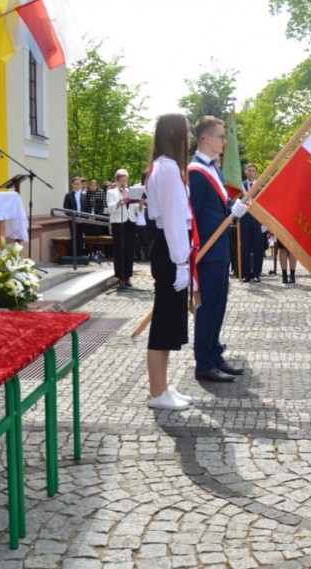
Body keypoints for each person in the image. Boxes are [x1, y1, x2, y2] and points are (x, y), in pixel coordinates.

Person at [188, 116, 249, 383]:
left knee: (219, 305)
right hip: (207, 250)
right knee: (208, 307)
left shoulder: (215, 169)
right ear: (206, 138)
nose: (225, 141)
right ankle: (203, 362)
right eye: (221, 136)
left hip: (220, 248)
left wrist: (232, 211)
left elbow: (217, 209)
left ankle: (214, 355)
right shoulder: (195, 171)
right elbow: (193, 215)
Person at [143, 114, 195, 410]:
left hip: (170, 247)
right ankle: (156, 392)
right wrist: (181, 263)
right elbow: (174, 219)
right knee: (163, 322)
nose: (190, 137)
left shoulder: (167, 167)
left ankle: (162, 386)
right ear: (174, 134)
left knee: (169, 321)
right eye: (186, 131)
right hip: (170, 249)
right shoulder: (168, 169)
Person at [108, 169, 140, 287]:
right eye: (121, 180)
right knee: (119, 250)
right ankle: (120, 276)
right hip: (118, 223)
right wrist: (122, 201)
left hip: (130, 222)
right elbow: (110, 209)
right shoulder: (111, 192)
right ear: (116, 181)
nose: (123, 183)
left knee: (129, 250)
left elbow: (137, 210)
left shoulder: (131, 191)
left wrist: (141, 203)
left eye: (125, 180)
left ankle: (128, 276)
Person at [240, 164, 265, 282]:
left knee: (258, 248)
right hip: (245, 219)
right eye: (249, 170)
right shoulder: (241, 186)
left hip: (258, 220)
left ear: (256, 173)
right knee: (245, 247)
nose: (251, 172)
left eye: (253, 170)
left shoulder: (262, 186)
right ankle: (246, 274)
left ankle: (257, 273)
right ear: (245, 172)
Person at [62, 176, 86, 256]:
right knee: (74, 237)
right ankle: (74, 255)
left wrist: (83, 218)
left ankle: (80, 255)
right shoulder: (68, 195)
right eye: (75, 184)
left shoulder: (85, 195)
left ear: (81, 185)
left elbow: (88, 208)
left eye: (79, 184)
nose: (77, 185)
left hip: (83, 220)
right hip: (73, 220)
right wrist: (74, 218)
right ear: (72, 185)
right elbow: (66, 209)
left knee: (80, 238)